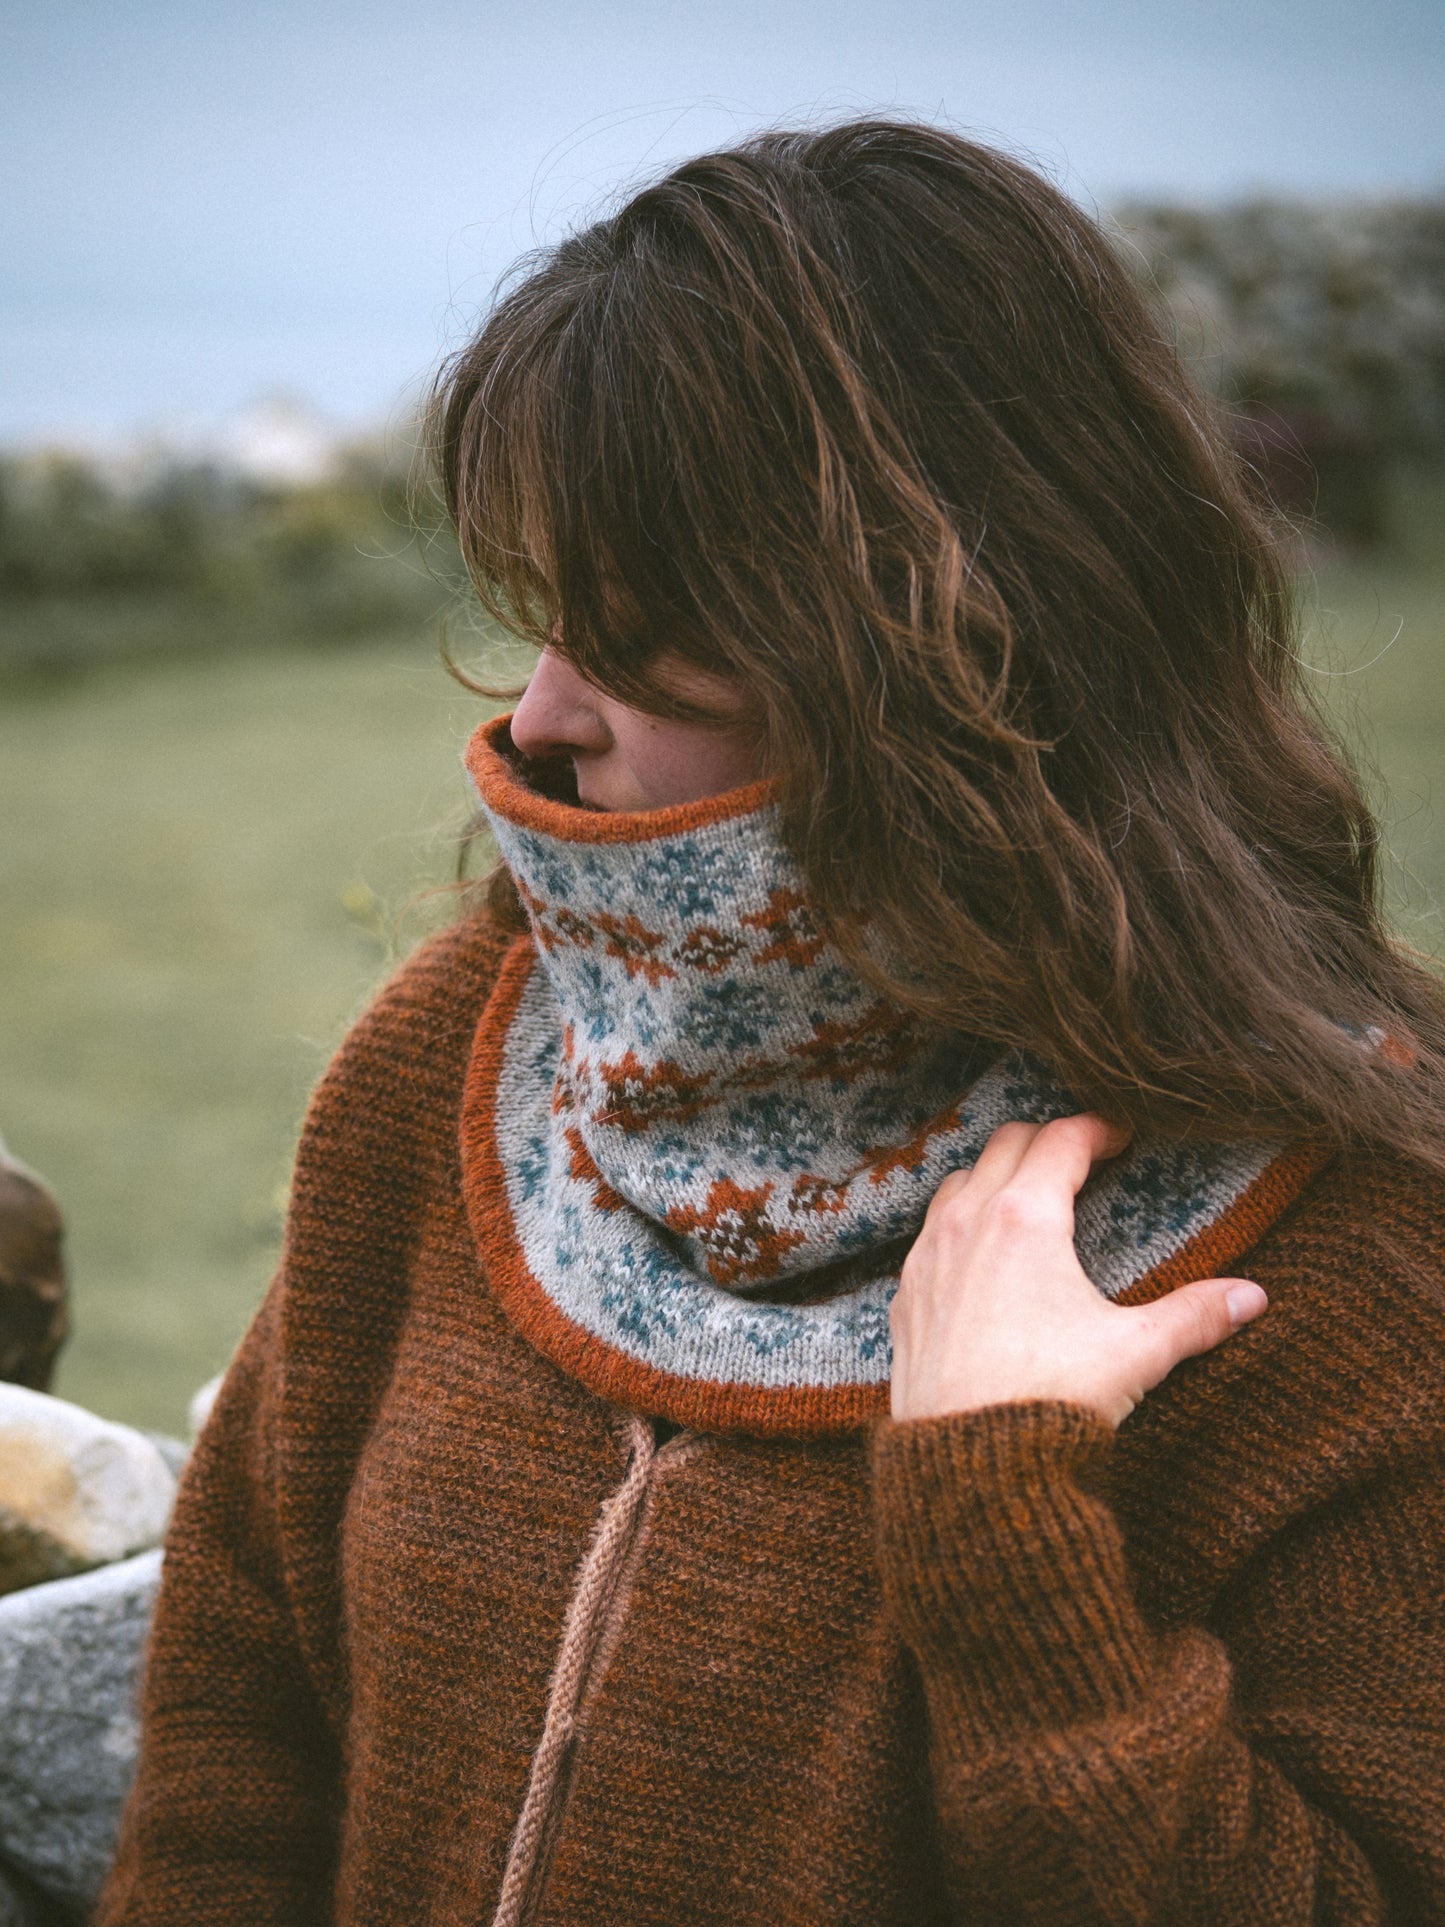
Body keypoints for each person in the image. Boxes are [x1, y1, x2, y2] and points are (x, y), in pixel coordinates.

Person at [97, 120, 1445, 1925]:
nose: (548, 712)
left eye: (650, 635)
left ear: (954, 655)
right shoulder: (452, 1062)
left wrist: (1006, 1532)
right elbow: (236, 1751)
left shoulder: (1368, 1252)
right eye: (543, 615)